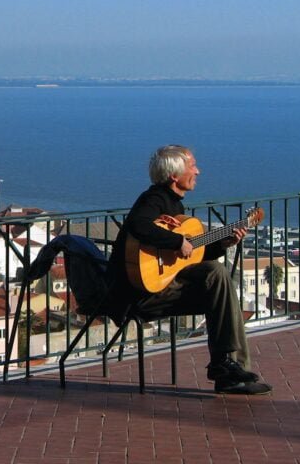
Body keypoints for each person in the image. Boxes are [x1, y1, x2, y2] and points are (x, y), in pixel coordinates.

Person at [108, 145, 272, 395]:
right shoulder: (154, 200)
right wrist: (176, 242)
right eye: (192, 166)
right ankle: (227, 368)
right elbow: (138, 224)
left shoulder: (175, 206)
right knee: (217, 278)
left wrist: (223, 243)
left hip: (158, 288)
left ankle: (227, 367)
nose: (198, 170)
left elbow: (189, 256)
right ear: (175, 175)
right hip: (139, 295)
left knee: (218, 283)